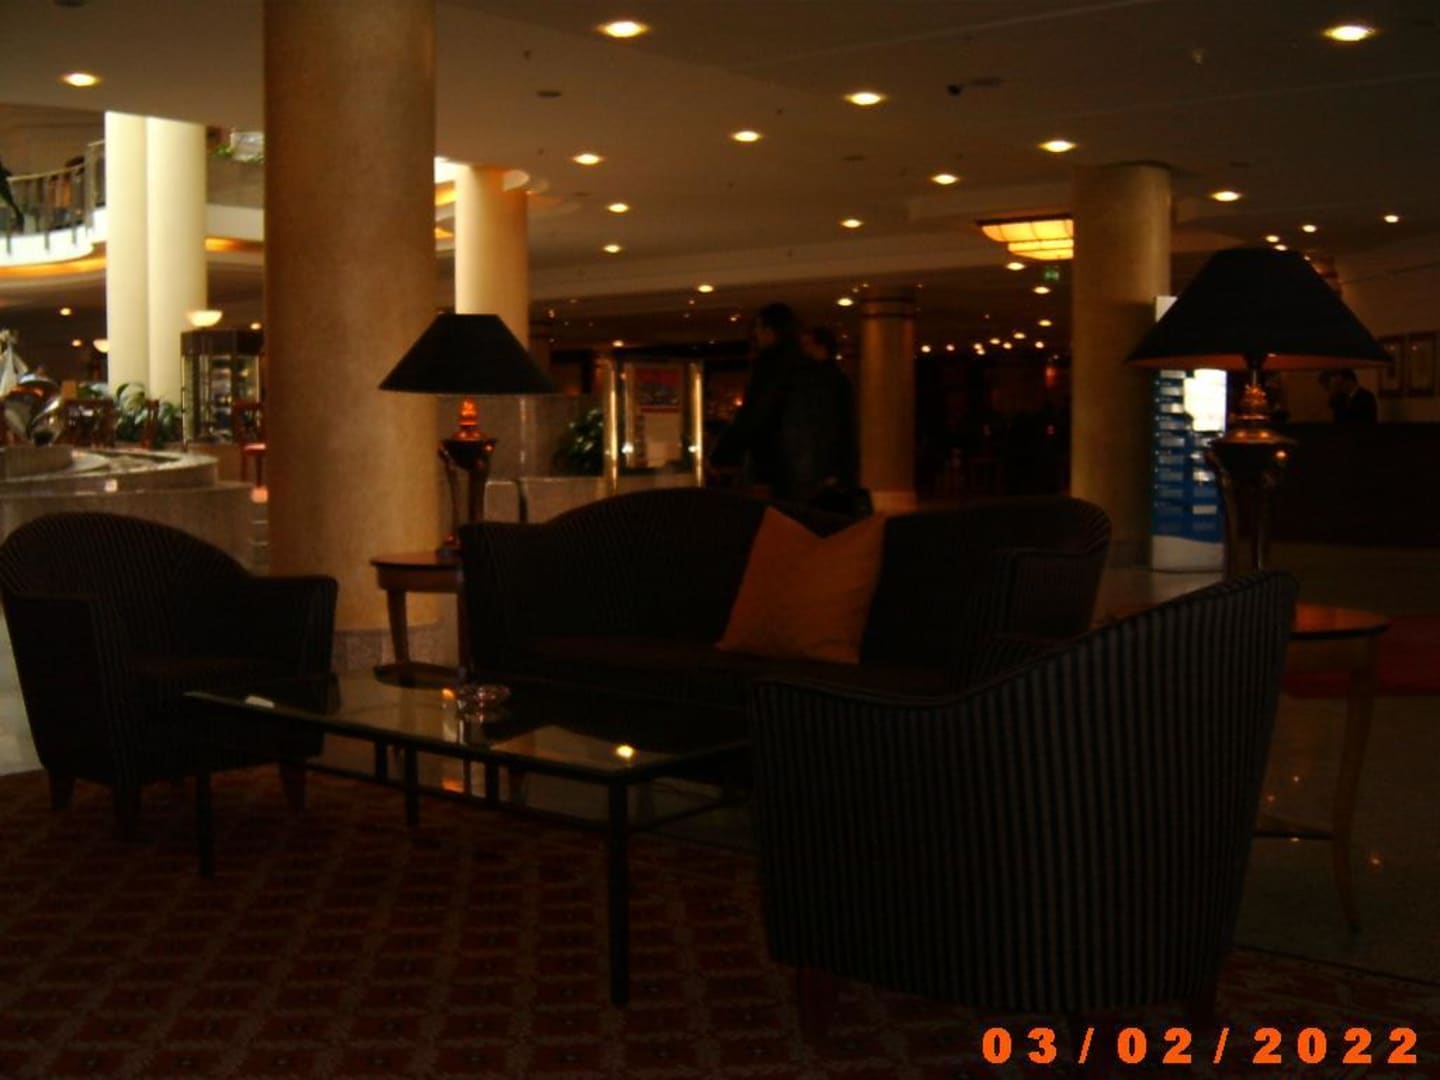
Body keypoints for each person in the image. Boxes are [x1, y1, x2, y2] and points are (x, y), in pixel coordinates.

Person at [709, 301, 805, 495]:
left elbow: (754, 414)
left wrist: (721, 455)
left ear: (770, 331)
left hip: (772, 460)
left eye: (758, 328)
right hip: (801, 462)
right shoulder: (806, 365)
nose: (756, 334)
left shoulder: (770, 366)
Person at [794, 325, 863, 513]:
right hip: (828, 466)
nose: (803, 350)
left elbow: (830, 426)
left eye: (807, 344)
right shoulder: (836, 379)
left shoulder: (821, 382)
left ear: (820, 346)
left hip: (822, 467)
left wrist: (830, 469)